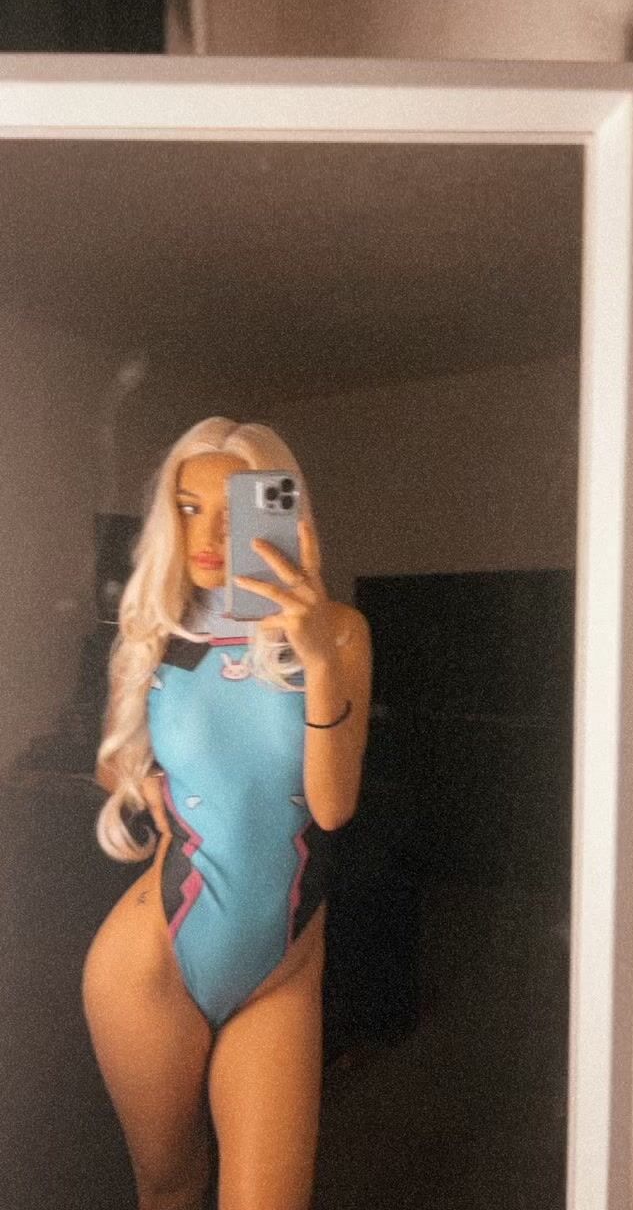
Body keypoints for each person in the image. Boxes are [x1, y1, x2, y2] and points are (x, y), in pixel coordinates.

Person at [82, 417, 372, 1210]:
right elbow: (115, 760)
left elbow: (332, 808)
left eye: (236, 509)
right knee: (170, 1189)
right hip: (151, 964)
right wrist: (145, 780)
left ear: (279, 512)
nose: (209, 536)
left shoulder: (340, 635)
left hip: (282, 972)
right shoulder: (155, 634)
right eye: (187, 508)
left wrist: (314, 656)